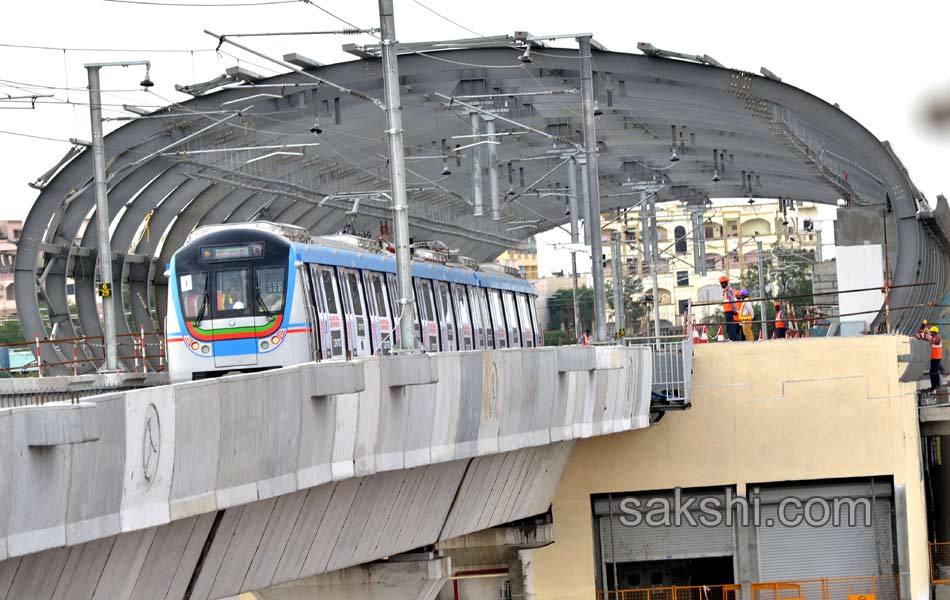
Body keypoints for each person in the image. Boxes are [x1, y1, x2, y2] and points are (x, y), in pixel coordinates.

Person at [720, 276, 740, 341]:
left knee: (730, 327)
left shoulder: (728, 290)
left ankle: (733, 339)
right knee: (730, 326)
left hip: (729, 311)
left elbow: (732, 300)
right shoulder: (727, 290)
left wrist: (734, 310)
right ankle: (733, 339)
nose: (721, 285)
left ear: (725, 283)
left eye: (722, 283)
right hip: (728, 311)